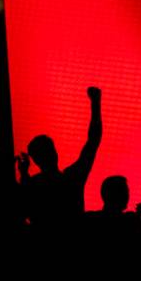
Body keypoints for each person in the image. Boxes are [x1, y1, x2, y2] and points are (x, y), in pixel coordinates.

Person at [16, 86, 103, 231]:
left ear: (36, 160)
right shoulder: (73, 177)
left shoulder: (33, 184)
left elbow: (23, 211)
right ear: (55, 153)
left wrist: (24, 175)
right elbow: (93, 141)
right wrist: (95, 103)